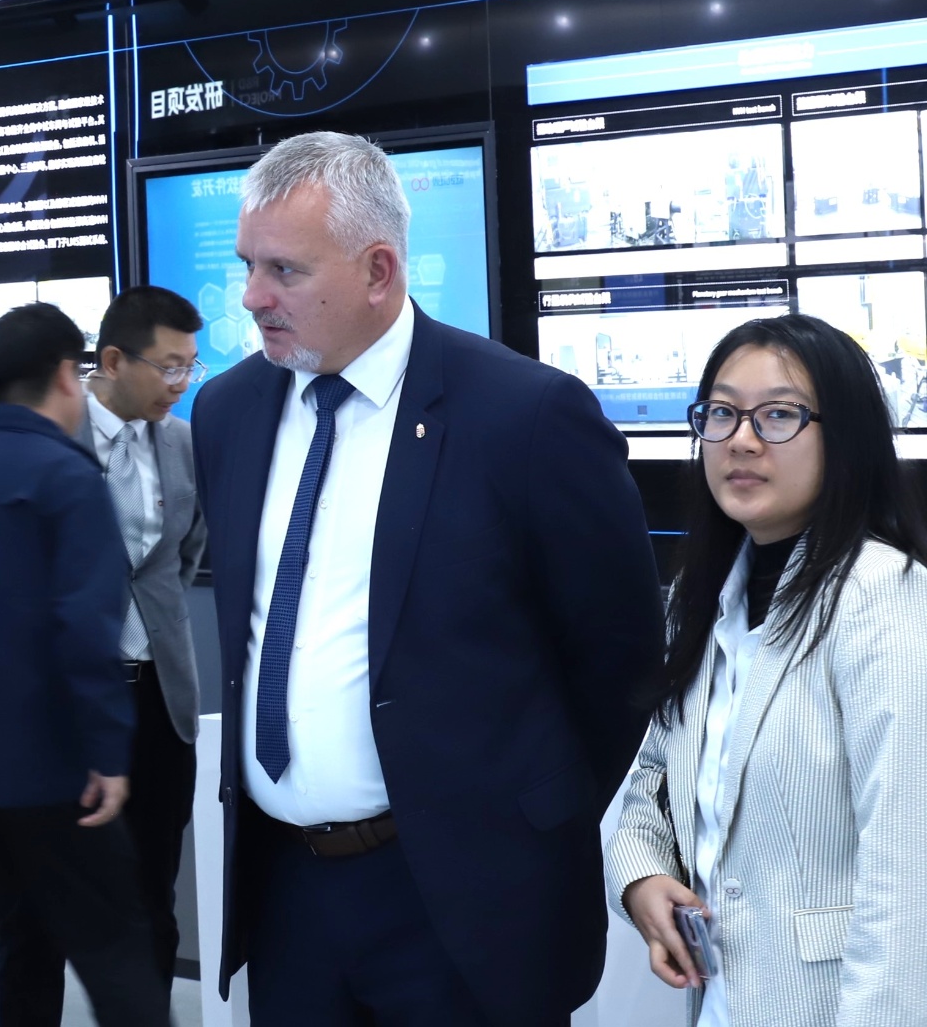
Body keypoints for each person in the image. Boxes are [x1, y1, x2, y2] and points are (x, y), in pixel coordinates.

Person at [191, 131, 666, 1026]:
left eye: (284, 270)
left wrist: (526, 816)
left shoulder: (525, 416)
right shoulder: (228, 411)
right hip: (287, 892)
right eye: (248, 265)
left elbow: (621, 658)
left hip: (464, 900)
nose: (252, 297)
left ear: (379, 271)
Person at [606, 312, 927, 1026]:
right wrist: (641, 876)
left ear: (843, 438)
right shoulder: (699, 599)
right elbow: (652, 781)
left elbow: (907, 879)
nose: (741, 440)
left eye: (778, 415)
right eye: (721, 413)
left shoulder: (885, 596)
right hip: (721, 1003)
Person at [0, 302, 168, 1027]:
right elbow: (86, 631)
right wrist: (107, 752)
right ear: (65, 374)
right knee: (118, 959)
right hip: (53, 776)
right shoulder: (69, 480)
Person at [0, 286, 208, 1023]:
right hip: (61, 707)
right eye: (169, 367)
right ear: (112, 361)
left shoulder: (181, 443)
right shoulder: (46, 436)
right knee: (37, 907)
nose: (181, 384)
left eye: (190, 367)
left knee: (152, 894)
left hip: (157, 699)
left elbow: (179, 558)